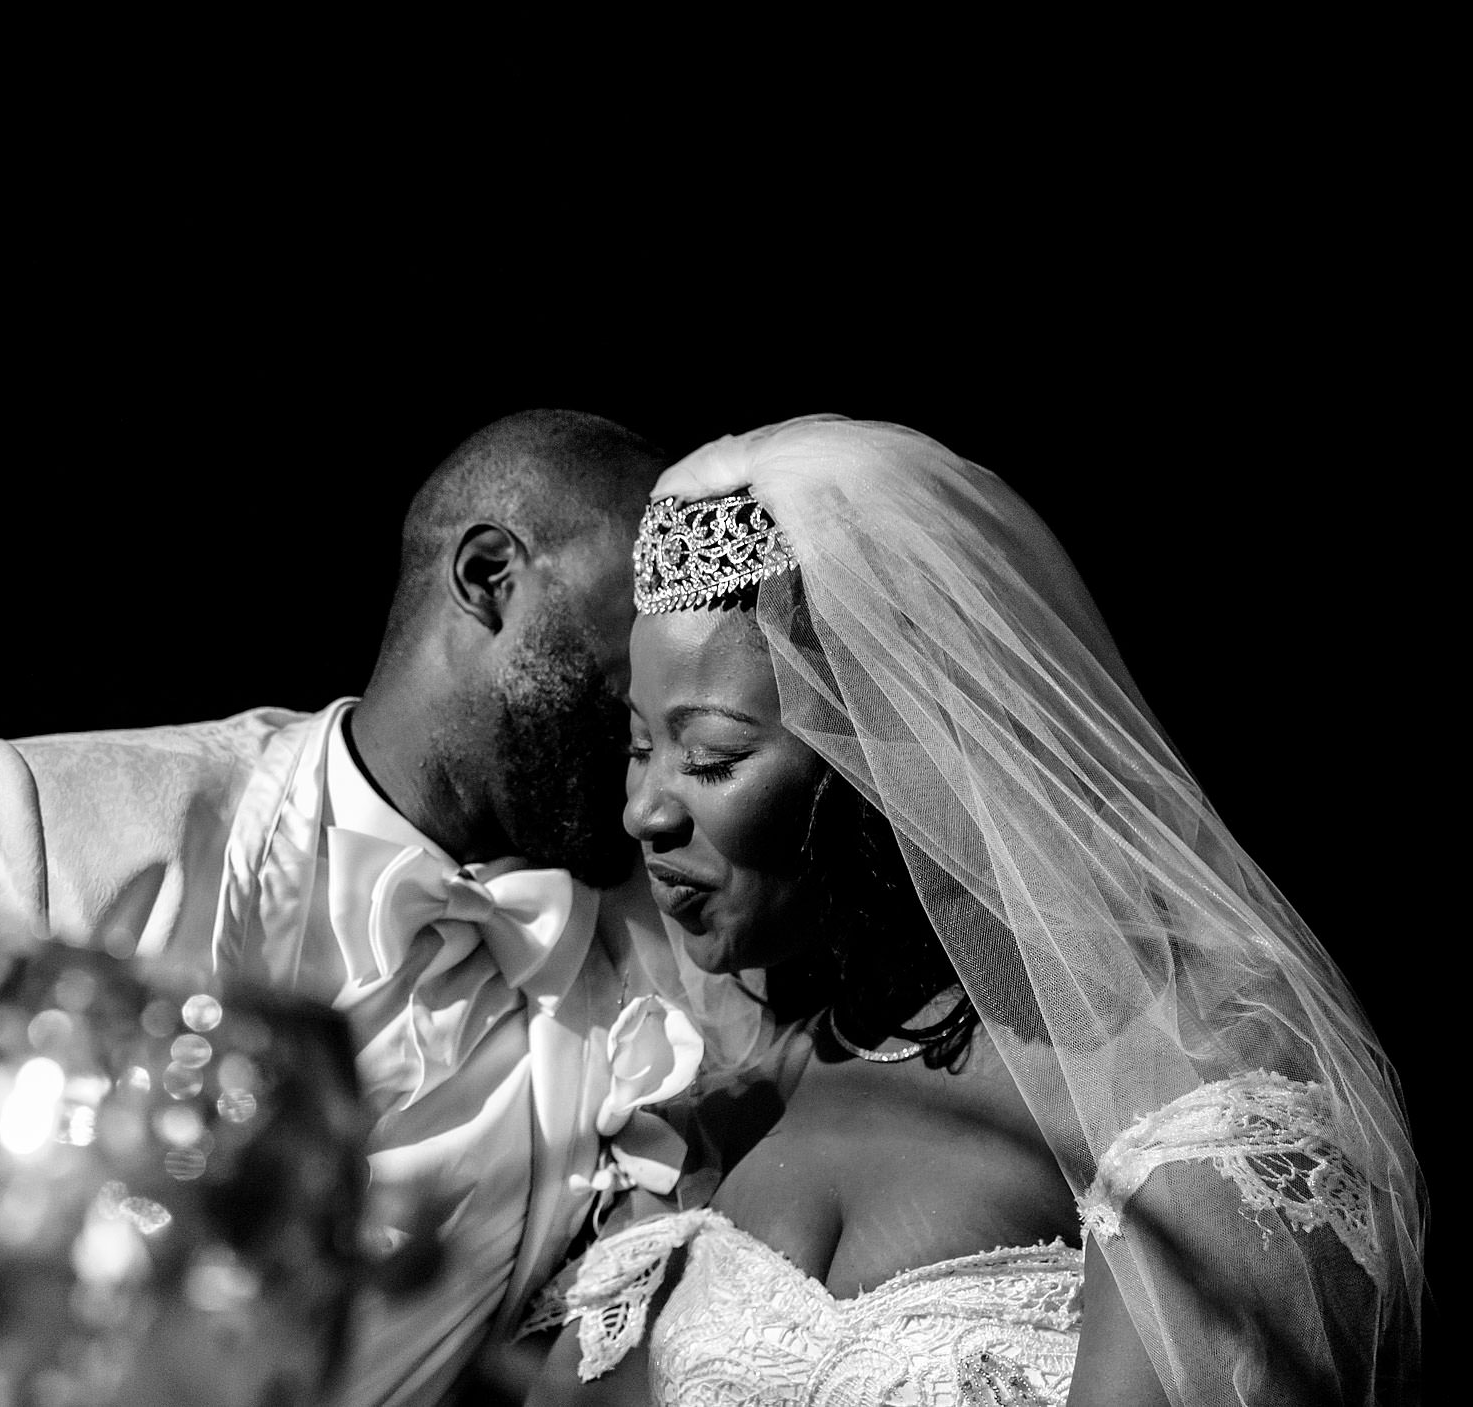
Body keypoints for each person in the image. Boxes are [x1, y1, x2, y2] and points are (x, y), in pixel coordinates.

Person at [523, 416, 1424, 1406]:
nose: (643, 809)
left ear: (894, 753)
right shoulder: (722, 1092)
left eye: (711, 757)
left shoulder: (1187, 1075)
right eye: (636, 744)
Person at [0, 409, 755, 1407]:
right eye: (636, 612)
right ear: (488, 577)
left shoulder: (665, 968)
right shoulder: (44, 828)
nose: (658, 675)